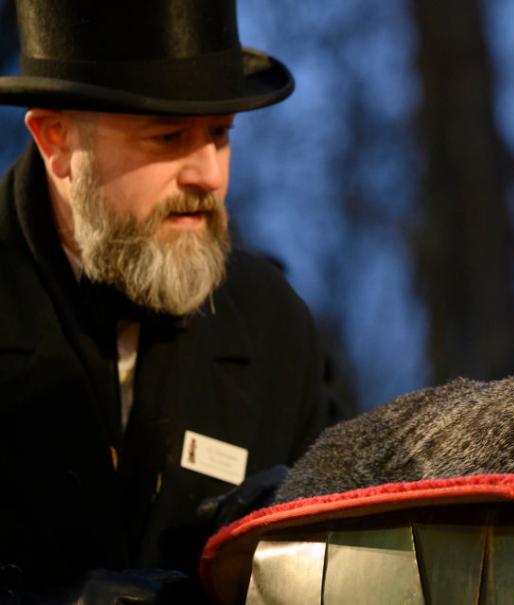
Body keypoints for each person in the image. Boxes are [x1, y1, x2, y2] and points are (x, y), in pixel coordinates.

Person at [0, 0, 349, 602]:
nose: (208, 175)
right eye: (168, 137)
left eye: (219, 135)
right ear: (56, 141)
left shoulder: (276, 328)